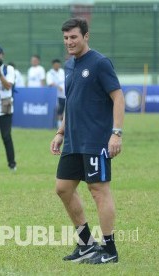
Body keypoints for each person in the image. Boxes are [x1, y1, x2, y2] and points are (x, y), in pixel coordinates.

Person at [50, 18, 125, 264]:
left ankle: (109, 251)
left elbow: (118, 97)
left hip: (95, 141)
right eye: (66, 38)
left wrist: (116, 133)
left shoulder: (100, 63)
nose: (69, 42)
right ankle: (85, 244)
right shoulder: (70, 66)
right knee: (63, 188)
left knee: (98, 191)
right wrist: (61, 132)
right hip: (73, 140)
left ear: (86, 36)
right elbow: (71, 102)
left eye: (74, 37)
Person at [46, 59, 66, 128]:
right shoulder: (50, 73)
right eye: (55, 65)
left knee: (64, 109)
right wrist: (58, 86)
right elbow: (50, 83)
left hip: (64, 94)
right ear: (53, 65)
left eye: (58, 65)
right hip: (55, 95)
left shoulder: (62, 71)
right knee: (58, 109)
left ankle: (62, 124)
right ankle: (58, 124)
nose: (57, 66)